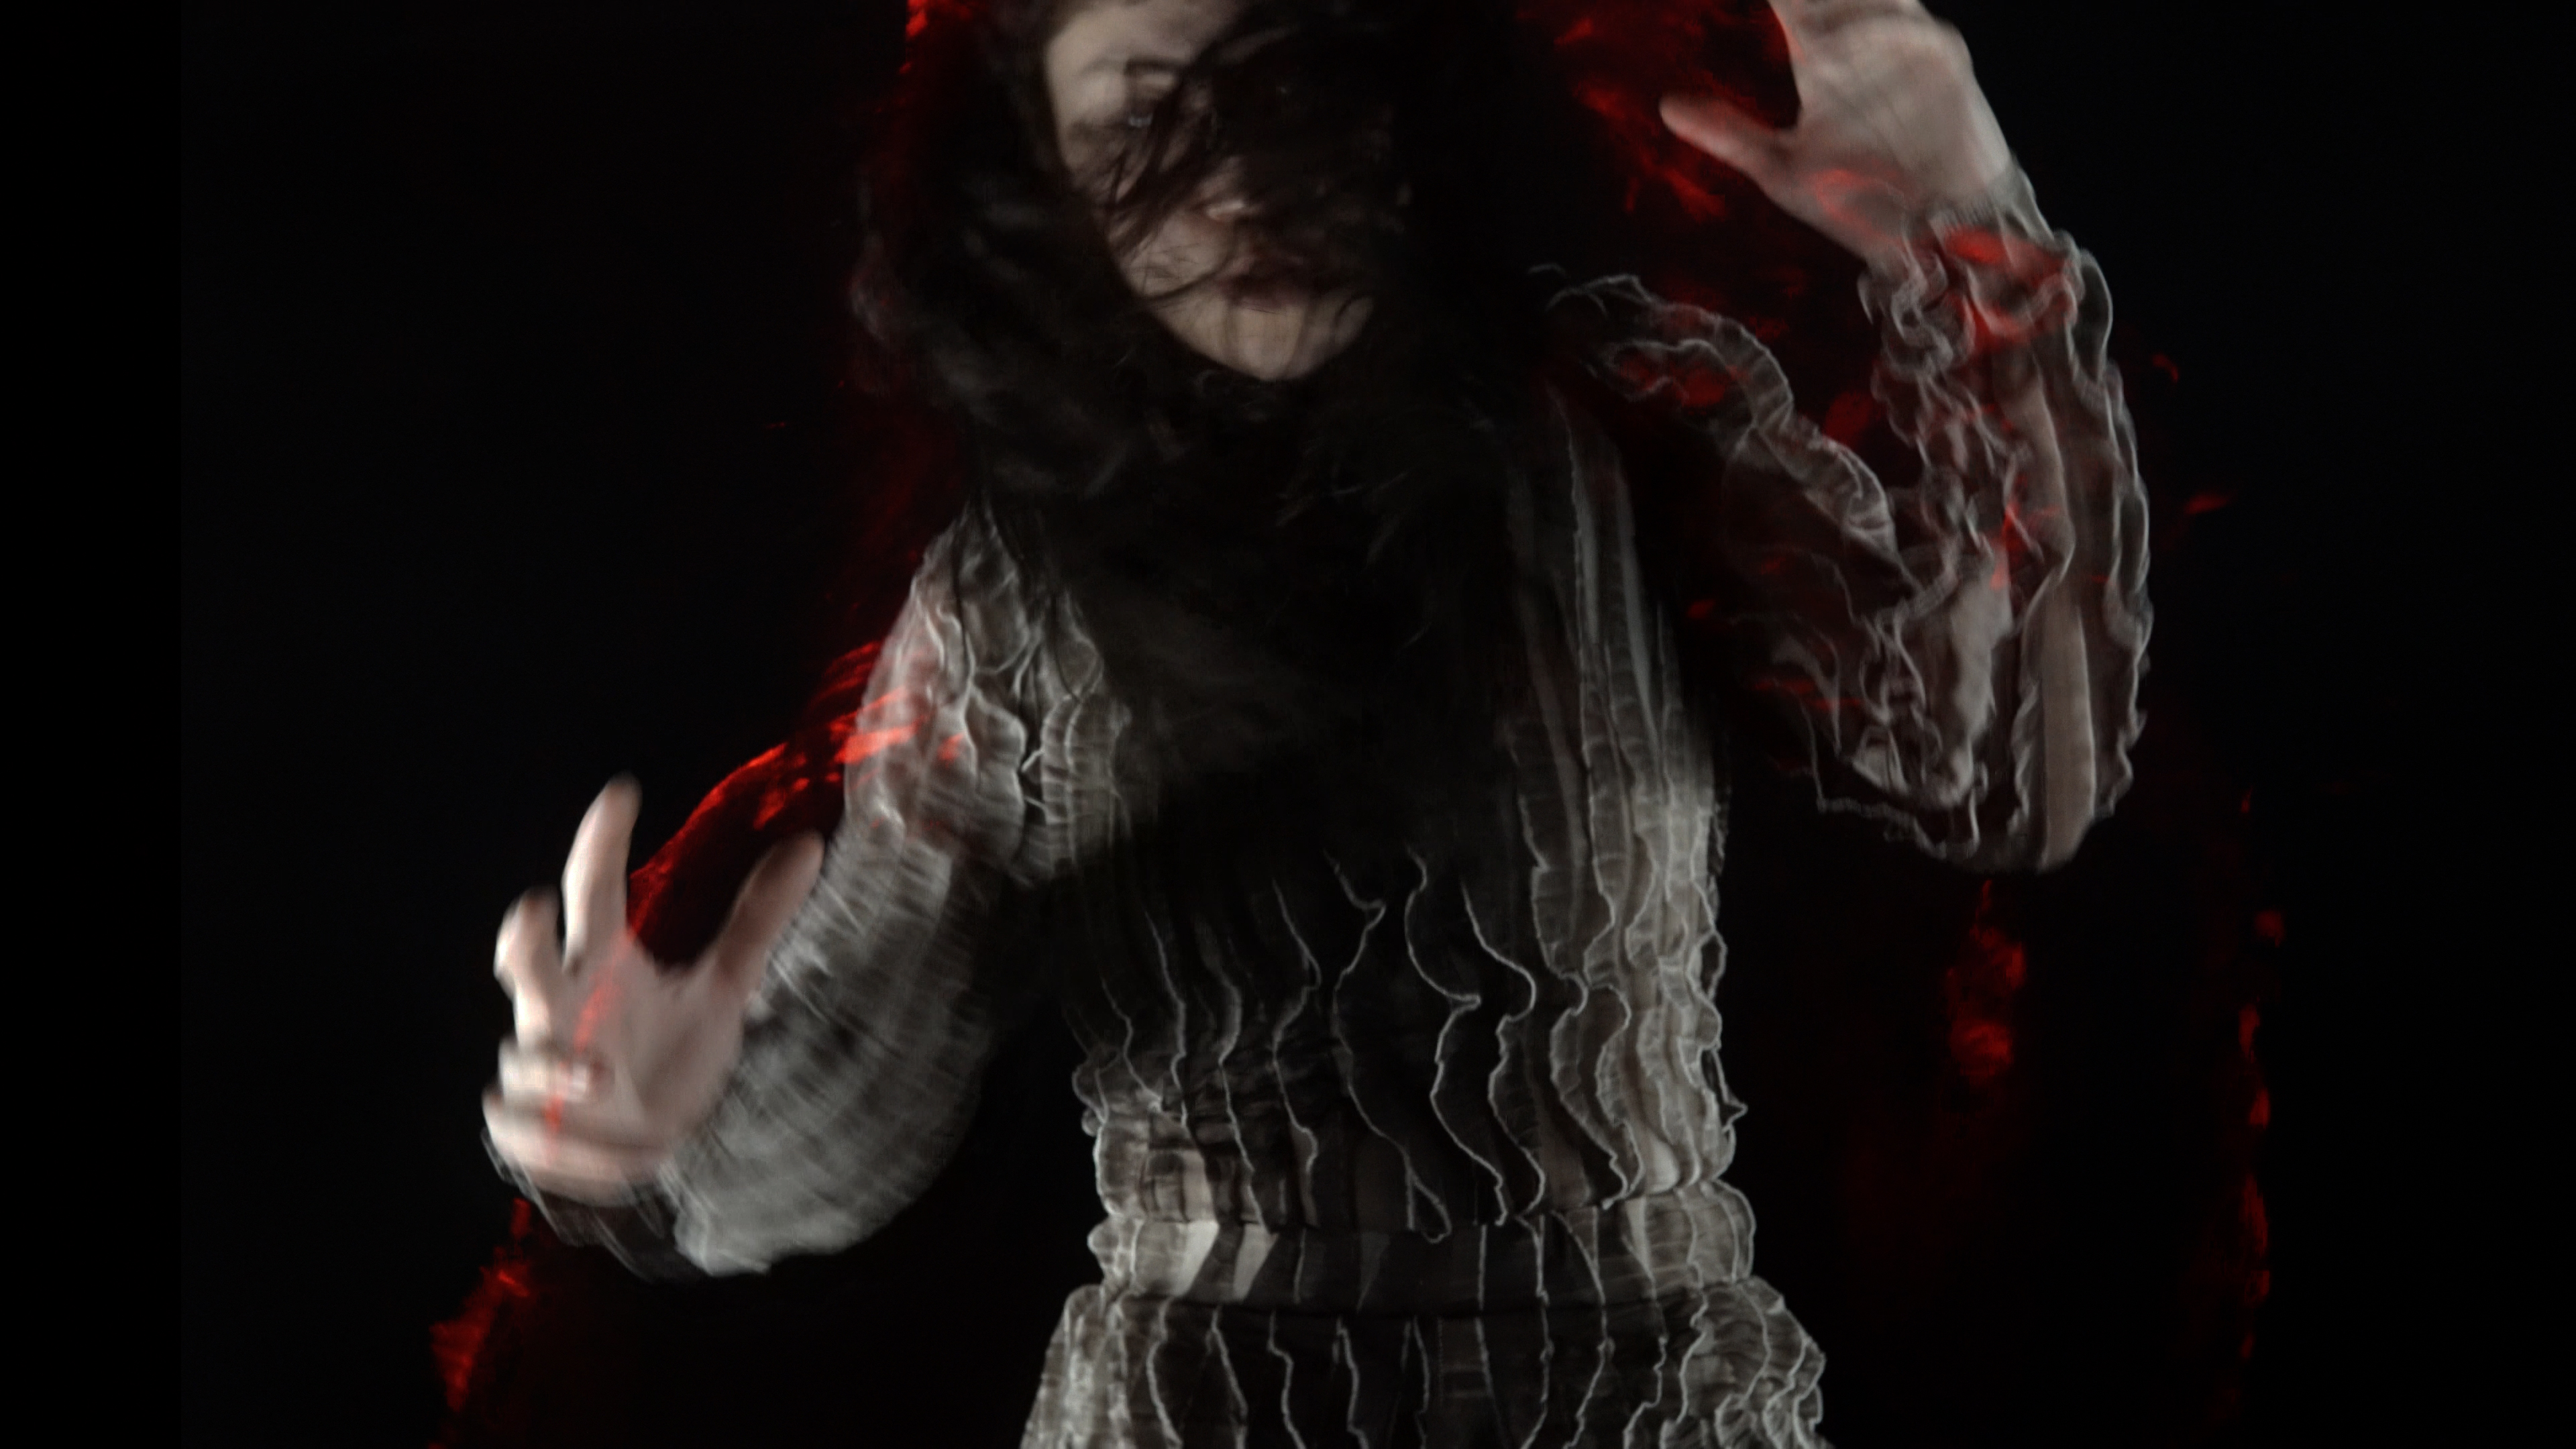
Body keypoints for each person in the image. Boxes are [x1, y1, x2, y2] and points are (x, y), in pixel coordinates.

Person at [481, 0, 2148, 1442]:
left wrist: (1969, 236)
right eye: (1144, 115)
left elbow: (2016, 773)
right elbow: (861, 1084)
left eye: (1291, 83)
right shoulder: (1013, 609)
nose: (1241, 177)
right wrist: (659, 1140)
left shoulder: (1622, 425)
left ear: (1399, 99)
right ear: (1042, 185)